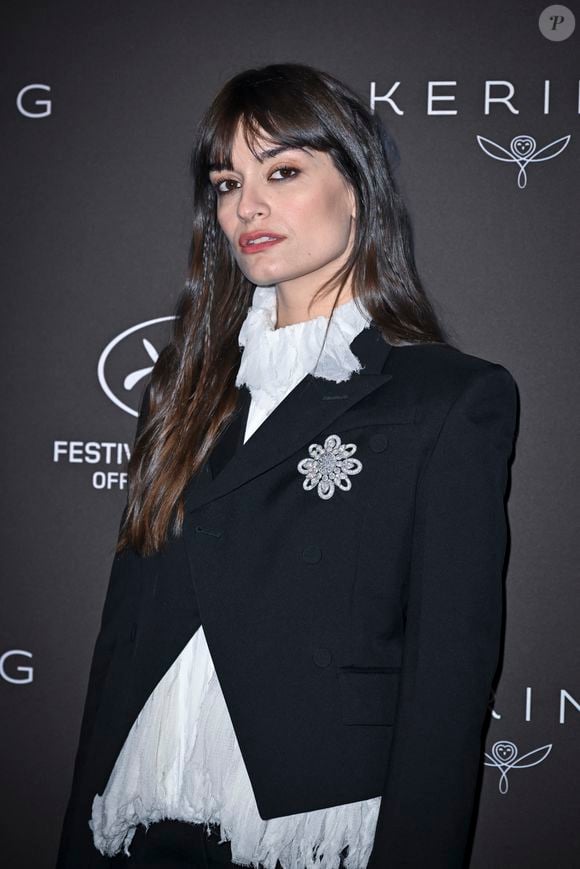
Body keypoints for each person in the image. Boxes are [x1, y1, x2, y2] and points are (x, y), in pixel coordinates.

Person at [56, 62, 518, 869]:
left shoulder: (449, 399)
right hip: (142, 818)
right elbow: (121, 640)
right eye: (227, 182)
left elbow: (449, 679)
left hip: (316, 831)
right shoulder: (182, 386)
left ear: (358, 189)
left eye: (283, 172)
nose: (246, 206)